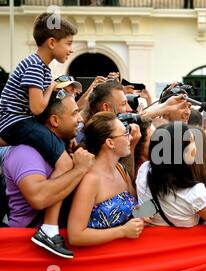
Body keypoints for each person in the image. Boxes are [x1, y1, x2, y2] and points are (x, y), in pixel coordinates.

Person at [0, 12, 79, 255]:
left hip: (20, 122)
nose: (71, 49)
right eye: (68, 43)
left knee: (62, 155)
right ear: (51, 42)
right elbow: (37, 108)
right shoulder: (35, 66)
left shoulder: (41, 68)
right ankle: (49, 229)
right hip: (16, 122)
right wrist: (52, 88)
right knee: (66, 163)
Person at [2, 91, 94, 258]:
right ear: (55, 121)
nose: (80, 119)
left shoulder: (64, 148)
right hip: (25, 251)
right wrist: (80, 169)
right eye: (74, 113)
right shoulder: (26, 153)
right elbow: (39, 197)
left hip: (53, 248)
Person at [67, 112, 146, 246]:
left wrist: (148, 211)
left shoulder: (121, 169)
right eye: (125, 132)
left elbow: (135, 210)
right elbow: (75, 235)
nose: (131, 137)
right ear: (110, 142)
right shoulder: (90, 180)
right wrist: (122, 231)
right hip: (100, 260)